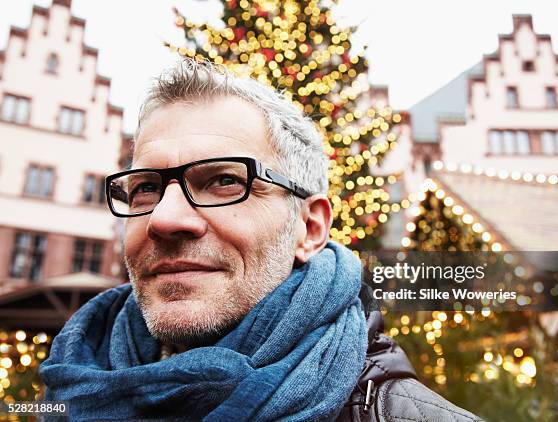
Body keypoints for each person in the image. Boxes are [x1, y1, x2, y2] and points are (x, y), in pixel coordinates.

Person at [40, 59, 481, 421]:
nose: (164, 218)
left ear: (309, 229)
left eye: (225, 181)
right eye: (145, 188)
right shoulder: (67, 389)